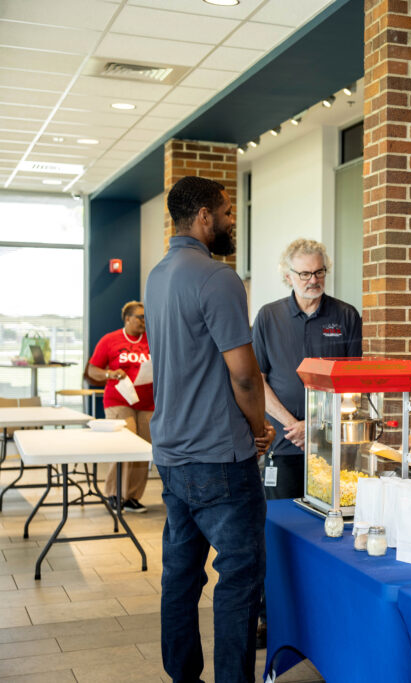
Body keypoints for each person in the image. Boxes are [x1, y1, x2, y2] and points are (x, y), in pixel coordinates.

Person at [145, 175, 274, 683]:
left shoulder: (157, 276)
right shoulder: (217, 278)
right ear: (202, 216)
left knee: (180, 575)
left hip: (172, 455)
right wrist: (259, 428)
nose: (229, 220)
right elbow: (244, 373)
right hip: (220, 458)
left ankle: (182, 675)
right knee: (239, 581)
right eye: (224, 211)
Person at [252, 238, 362, 500]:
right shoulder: (268, 316)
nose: (313, 280)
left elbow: (353, 384)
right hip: (283, 442)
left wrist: (313, 427)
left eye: (319, 271)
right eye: (304, 274)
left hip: (332, 446)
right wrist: (294, 426)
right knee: (282, 520)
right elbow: (258, 380)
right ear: (288, 276)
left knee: (330, 519)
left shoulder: (346, 316)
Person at [86, 300, 152, 513]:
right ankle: (114, 493)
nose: (144, 321)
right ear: (127, 318)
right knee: (125, 445)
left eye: (145, 317)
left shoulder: (152, 339)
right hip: (119, 400)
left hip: (148, 402)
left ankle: (131, 496)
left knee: (143, 449)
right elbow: (92, 369)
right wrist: (109, 374)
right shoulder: (110, 340)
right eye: (140, 317)